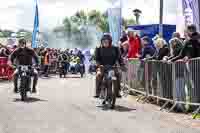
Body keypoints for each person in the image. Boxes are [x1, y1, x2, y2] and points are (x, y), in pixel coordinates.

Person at [94, 33, 125, 98]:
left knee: (118, 74)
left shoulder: (116, 48)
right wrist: (99, 65)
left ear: (110, 41)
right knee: (99, 75)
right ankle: (97, 91)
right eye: (103, 40)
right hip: (102, 67)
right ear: (101, 41)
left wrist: (122, 65)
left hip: (112, 67)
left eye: (106, 40)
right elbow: (96, 59)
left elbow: (120, 58)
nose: (105, 42)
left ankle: (117, 91)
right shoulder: (98, 48)